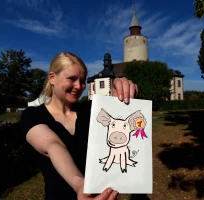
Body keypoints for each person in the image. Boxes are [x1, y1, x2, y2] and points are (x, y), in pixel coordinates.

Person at [20, 52, 138, 200]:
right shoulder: (33, 115)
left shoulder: (92, 110)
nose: (79, 86)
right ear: (52, 78)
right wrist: (80, 184)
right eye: (72, 79)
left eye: (82, 81)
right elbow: (52, 144)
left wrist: (122, 86)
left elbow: (120, 105)